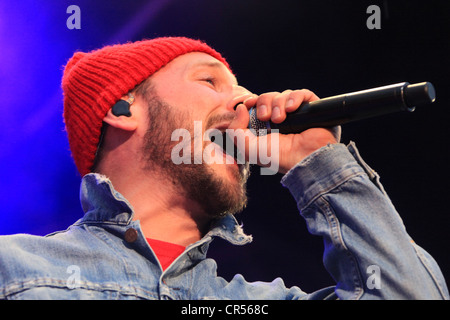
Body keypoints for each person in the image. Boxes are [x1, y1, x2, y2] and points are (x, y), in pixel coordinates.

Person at [0, 37, 448, 300]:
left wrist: (318, 159)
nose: (245, 102)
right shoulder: (16, 269)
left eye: (239, 88)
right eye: (209, 81)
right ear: (122, 107)